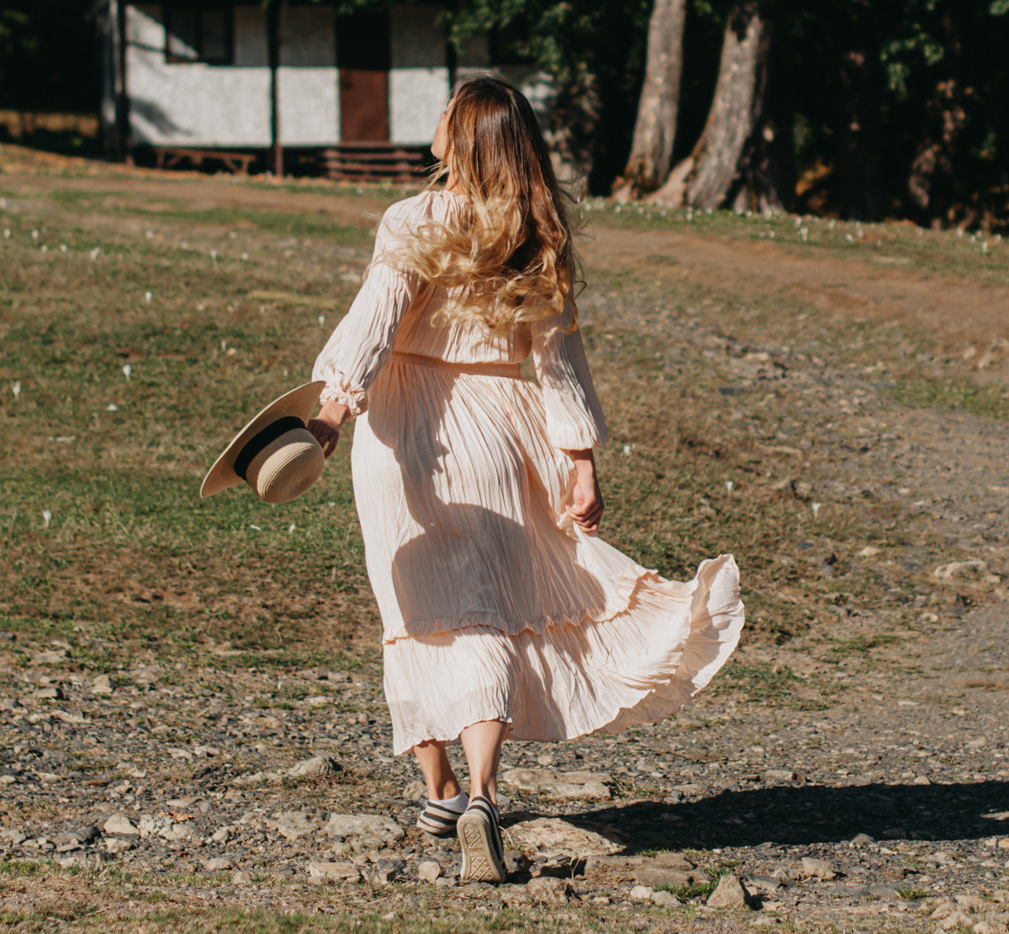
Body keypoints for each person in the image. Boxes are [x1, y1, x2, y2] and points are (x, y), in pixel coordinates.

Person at [305, 74, 743, 883]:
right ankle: (478, 793)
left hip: (409, 426)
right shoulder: (535, 235)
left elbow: (373, 323)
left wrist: (332, 414)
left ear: (461, 138)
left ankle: (436, 787)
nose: (434, 124)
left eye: (446, 116)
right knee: (488, 613)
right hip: (505, 431)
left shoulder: (414, 219)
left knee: (413, 606)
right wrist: (581, 463)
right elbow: (560, 363)